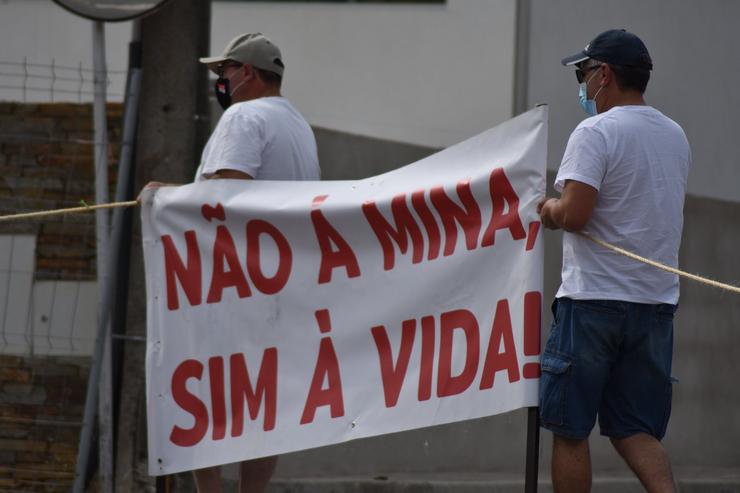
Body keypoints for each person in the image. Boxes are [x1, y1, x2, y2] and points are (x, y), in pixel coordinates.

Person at [537, 29, 690, 493]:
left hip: (593, 304)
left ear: (604, 74)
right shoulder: (674, 135)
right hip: (655, 305)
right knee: (634, 428)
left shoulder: (595, 131)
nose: (582, 87)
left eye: (583, 75)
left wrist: (549, 210)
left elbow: (576, 214)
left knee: (569, 427)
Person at [192, 32, 320, 492]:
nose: (219, 81)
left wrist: (163, 196)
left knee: (204, 397)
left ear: (246, 72)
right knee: (263, 405)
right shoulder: (297, 124)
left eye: (222, 72)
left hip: (233, 285)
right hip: (280, 289)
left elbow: (224, 198)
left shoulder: (244, 116)